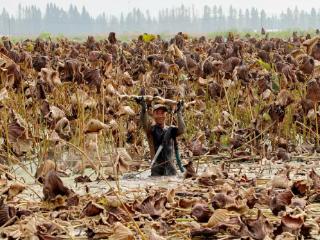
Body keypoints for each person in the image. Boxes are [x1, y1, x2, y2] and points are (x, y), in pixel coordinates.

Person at [137, 97, 185, 176]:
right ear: (153, 114)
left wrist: (179, 113)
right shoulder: (151, 130)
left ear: (166, 115)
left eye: (162, 113)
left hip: (171, 170)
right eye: (157, 113)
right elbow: (144, 123)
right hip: (157, 170)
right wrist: (144, 109)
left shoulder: (171, 130)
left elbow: (182, 130)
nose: (160, 116)